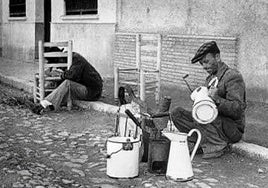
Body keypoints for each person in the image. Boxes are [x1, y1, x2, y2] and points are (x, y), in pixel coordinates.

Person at [171, 41, 247, 159]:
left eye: (206, 62)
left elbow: (238, 109)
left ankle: (217, 145)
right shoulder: (210, 78)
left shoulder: (232, 76)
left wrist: (216, 99)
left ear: (217, 57)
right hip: (215, 123)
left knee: (205, 114)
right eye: (202, 64)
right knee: (177, 113)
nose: (204, 67)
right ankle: (203, 142)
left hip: (232, 129)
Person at [32, 52, 103, 114]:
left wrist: (61, 75)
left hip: (92, 92)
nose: (60, 67)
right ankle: (48, 102)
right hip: (86, 88)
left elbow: (72, 76)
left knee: (67, 83)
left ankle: (43, 104)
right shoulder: (69, 59)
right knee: (62, 84)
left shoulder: (76, 59)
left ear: (60, 59)